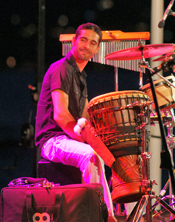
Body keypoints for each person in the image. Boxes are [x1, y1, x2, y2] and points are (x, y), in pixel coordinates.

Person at [35, 23, 117, 222]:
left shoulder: (80, 77)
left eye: (92, 43)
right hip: (51, 140)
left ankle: (115, 211)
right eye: (83, 40)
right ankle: (102, 215)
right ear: (73, 41)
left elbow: (85, 117)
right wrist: (86, 140)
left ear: (97, 49)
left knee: (114, 152)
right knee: (91, 155)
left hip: (67, 139)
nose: (87, 45)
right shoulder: (61, 69)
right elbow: (60, 115)